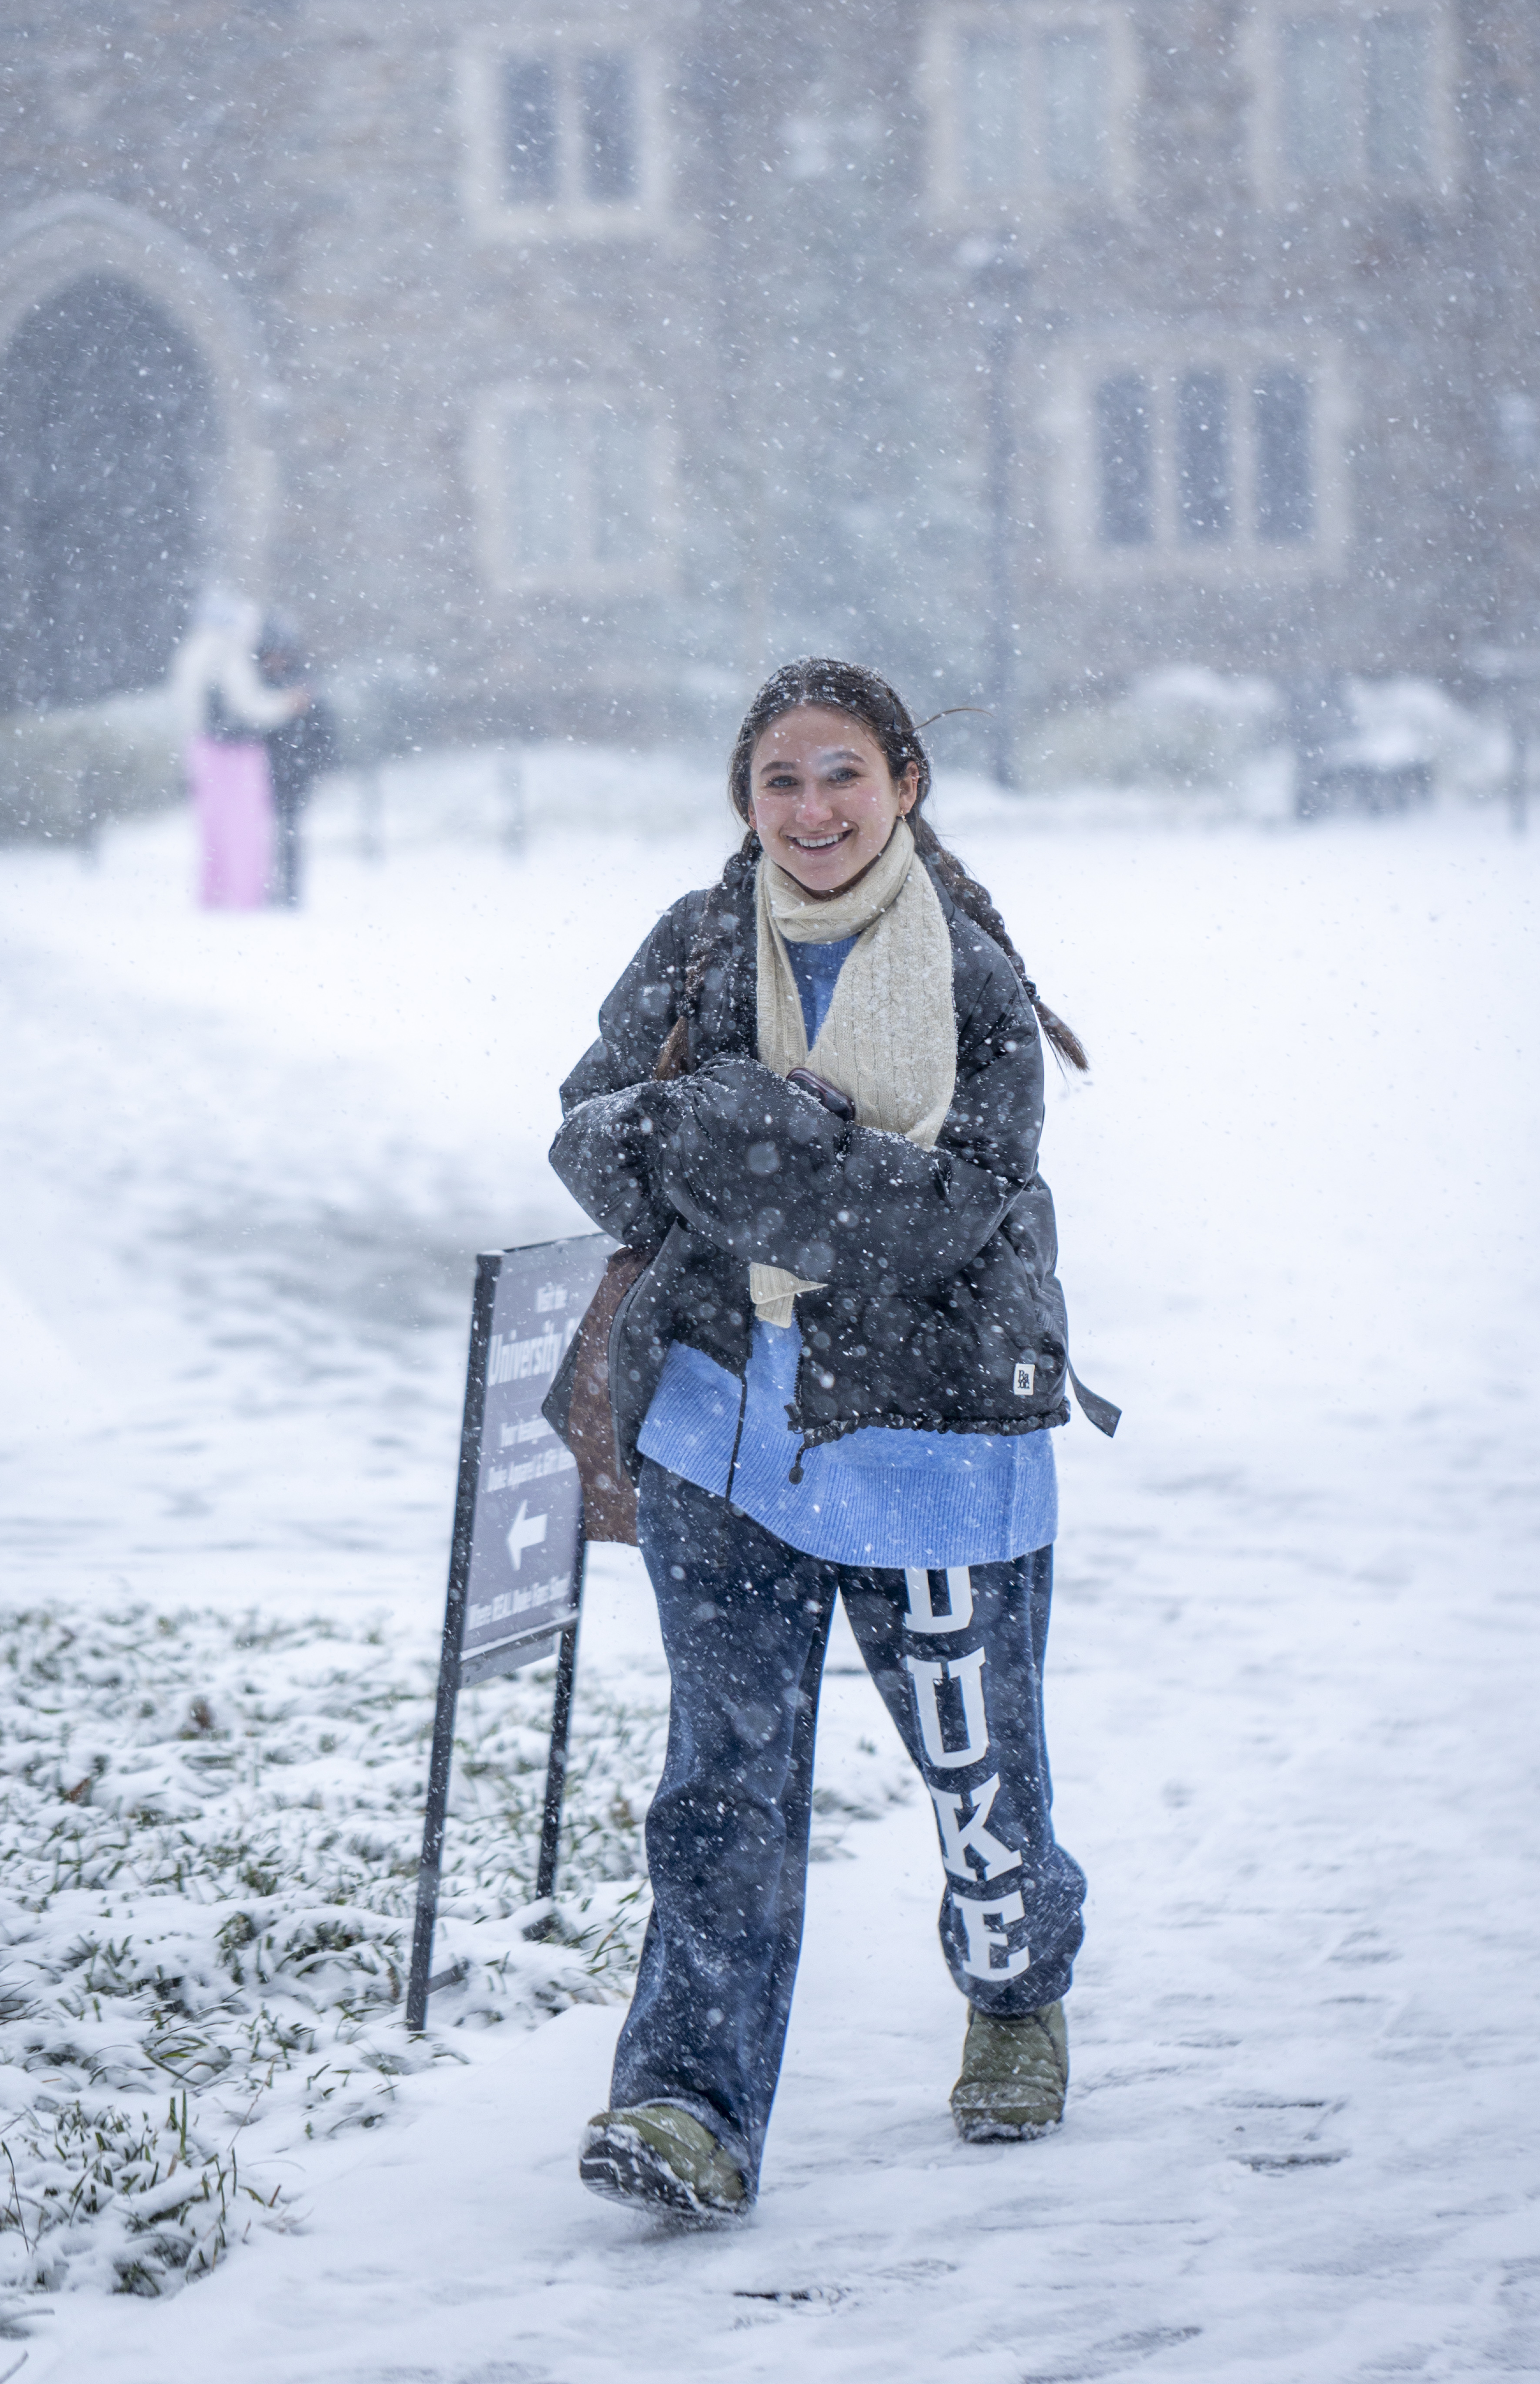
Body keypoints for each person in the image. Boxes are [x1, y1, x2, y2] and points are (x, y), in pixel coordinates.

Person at [550, 657, 1108, 2223]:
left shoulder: (975, 981)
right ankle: (687, 2105)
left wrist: (754, 1158)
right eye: (781, 779)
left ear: (903, 785)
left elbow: (953, 1209)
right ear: (745, 795)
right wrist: (719, 1141)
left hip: (931, 1442)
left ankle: (1012, 1992)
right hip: (721, 1440)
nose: (810, 808)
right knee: (720, 1789)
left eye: (841, 775)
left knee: (978, 1780)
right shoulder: (697, 946)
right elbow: (591, 1134)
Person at [173, 592, 307, 908]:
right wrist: (288, 704)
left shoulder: (189, 655)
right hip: (240, 751)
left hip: (202, 749)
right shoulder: (232, 656)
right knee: (246, 827)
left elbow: (185, 710)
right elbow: (249, 706)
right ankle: (246, 896)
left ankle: (214, 894)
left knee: (213, 828)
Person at [257, 614, 338, 908]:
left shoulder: (305, 684)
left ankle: (290, 891)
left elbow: (323, 729)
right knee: (262, 834)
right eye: (270, 653)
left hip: (296, 770)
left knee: (290, 833)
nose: (275, 659)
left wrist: (320, 763)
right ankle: (263, 889)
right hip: (262, 771)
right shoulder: (258, 685)